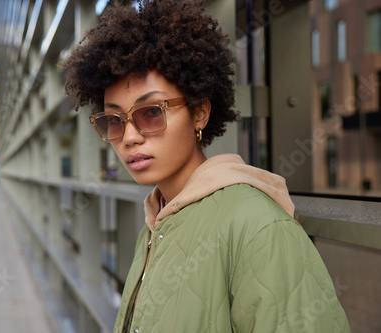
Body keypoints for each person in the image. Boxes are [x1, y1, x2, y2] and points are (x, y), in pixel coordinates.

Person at [63, 1, 350, 332]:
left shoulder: (258, 226)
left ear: (199, 112)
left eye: (152, 112)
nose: (129, 137)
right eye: (114, 119)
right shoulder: (158, 223)